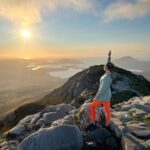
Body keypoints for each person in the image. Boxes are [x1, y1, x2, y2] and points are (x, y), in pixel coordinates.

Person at [89, 62, 115, 127]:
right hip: (107, 95)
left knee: (92, 107)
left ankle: (93, 121)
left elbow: (102, 89)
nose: (104, 66)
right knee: (107, 109)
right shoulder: (108, 75)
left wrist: (96, 97)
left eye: (105, 65)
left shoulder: (106, 77)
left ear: (107, 68)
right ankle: (108, 123)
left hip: (103, 95)